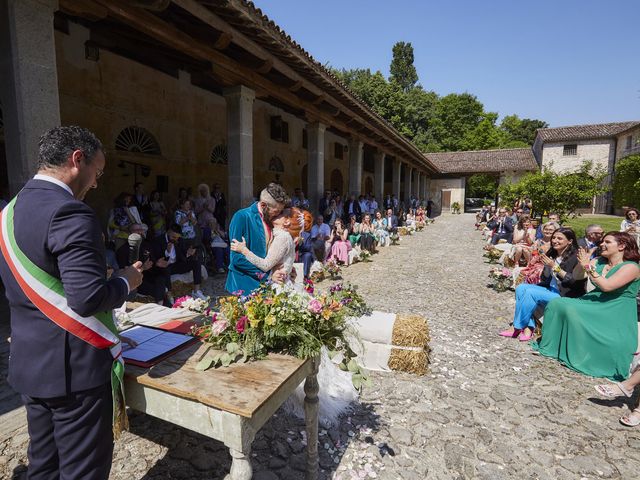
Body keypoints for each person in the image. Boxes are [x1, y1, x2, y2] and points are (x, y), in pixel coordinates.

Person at [0, 126, 143, 480]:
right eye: (97, 172)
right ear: (77, 159)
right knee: (82, 471)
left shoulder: (9, 211)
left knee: (44, 466)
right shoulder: (70, 213)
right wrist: (126, 280)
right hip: (74, 372)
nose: (96, 183)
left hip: (30, 362)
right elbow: (87, 300)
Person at [533, 232, 640, 380]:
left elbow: (607, 286)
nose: (602, 244)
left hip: (616, 307)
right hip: (595, 300)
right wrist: (582, 263)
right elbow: (577, 276)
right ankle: (551, 348)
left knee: (571, 308)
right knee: (557, 303)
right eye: (602, 242)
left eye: (607, 242)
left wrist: (588, 267)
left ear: (621, 246)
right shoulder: (600, 261)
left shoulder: (632, 267)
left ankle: (583, 354)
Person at [500, 227, 585, 342]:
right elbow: (545, 277)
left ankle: (516, 327)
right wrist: (546, 266)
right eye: (554, 237)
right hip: (550, 288)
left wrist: (554, 266)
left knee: (530, 292)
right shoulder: (553, 253)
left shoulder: (574, 257)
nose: (555, 240)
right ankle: (528, 328)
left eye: (560, 238)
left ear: (570, 241)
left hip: (565, 293)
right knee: (521, 288)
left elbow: (574, 282)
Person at [226, 183, 289, 294]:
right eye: (276, 211)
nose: (278, 215)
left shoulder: (272, 219)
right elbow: (236, 259)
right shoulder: (242, 217)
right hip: (244, 286)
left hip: (266, 287)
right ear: (264, 205)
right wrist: (267, 276)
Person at [230, 208, 296, 283]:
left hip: (277, 284)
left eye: (280, 213)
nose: (275, 214)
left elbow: (266, 265)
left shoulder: (282, 237)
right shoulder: (280, 235)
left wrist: (244, 250)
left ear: (286, 221)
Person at [150, 223, 205, 300]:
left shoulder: (179, 240)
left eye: (177, 237)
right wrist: (167, 252)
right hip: (164, 266)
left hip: (176, 265)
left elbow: (182, 255)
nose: (175, 239)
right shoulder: (158, 240)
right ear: (168, 232)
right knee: (166, 269)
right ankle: (169, 294)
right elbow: (157, 258)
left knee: (196, 262)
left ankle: (196, 291)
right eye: (173, 237)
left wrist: (188, 253)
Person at [117, 223, 166, 304]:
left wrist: (156, 263)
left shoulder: (147, 244)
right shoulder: (123, 250)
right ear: (130, 233)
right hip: (135, 280)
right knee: (156, 289)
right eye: (136, 230)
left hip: (149, 274)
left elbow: (152, 260)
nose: (139, 232)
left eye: (141, 230)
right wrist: (143, 268)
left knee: (161, 278)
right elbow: (124, 271)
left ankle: (163, 303)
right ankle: (163, 305)